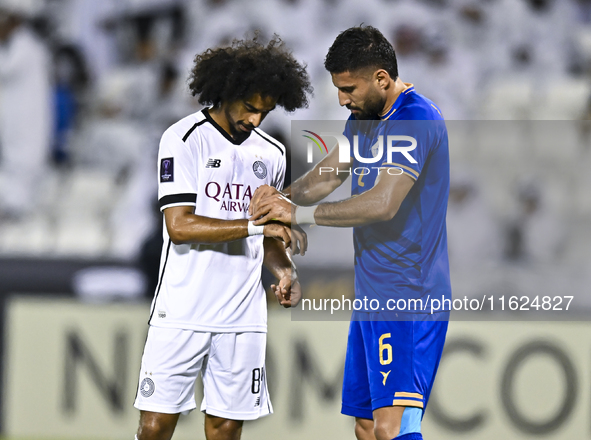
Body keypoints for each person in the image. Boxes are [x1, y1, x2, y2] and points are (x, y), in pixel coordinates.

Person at [249, 26, 450, 440]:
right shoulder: (364, 116)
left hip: (409, 294)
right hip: (373, 292)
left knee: (391, 429)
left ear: (381, 78)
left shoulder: (416, 118)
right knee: (365, 425)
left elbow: (383, 203)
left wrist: (298, 214)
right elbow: (326, 177)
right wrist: (280, 202)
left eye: (348, 88)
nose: (342, 99)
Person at [133, 35, 311, 440]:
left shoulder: (272, 154)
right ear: (226, 92)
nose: (256, 120)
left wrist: (284, 271)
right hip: (182, 308)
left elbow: (269, 236)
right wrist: (256, 227)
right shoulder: (183, 138)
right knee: (155, 427)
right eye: (250, 108)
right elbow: (179, 226)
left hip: (242, 314)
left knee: (226, 429)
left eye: (265, 112)